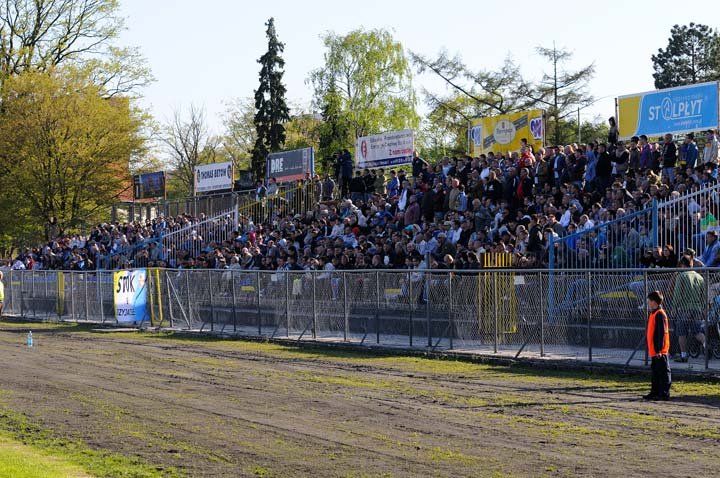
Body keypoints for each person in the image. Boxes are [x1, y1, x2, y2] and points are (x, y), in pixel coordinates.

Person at [671, 256, 706, 363]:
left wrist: (674, 308)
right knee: (697, 331)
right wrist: (704, 308)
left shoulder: (681, 276)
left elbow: (677, 294)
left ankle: (684, 356)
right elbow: (704, 295)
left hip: (684, 308)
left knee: (681, 332)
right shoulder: (699, 277)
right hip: (697, 308)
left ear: (682, 264)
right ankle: (705, 344)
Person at [644, 290, 671, 401]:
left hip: (660, 350)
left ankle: (664, 393)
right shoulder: (653, 313)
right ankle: (655, 392)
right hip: (654, 350)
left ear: (654, 302)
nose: (648, 303)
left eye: (649, 301)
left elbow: (662, 333)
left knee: (663, 372)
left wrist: (659, 349)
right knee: (655, 372)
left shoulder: (660, 314)